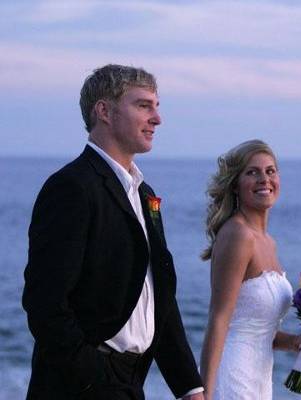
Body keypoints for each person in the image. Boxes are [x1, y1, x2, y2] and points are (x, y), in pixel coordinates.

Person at [22, 64, 204, 400]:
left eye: (156, 106)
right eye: (143, 105)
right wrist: (92, 378)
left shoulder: (144, 193)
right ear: (104, 111)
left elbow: (158, 297)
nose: (157, 119)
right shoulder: (71, 187)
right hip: (80, 386)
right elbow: (44, 302)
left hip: (130, 382)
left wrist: (190, 387)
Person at [199, 140, 301, 400]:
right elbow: (219, 320)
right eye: (252, 172)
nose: (264, 179)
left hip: (259, 380)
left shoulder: (268, 242)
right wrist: (204, 394)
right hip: (232, 377)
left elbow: (256, 327)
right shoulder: (238, 234)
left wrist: (296, 342)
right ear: (235, 184)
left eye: (270, 171)